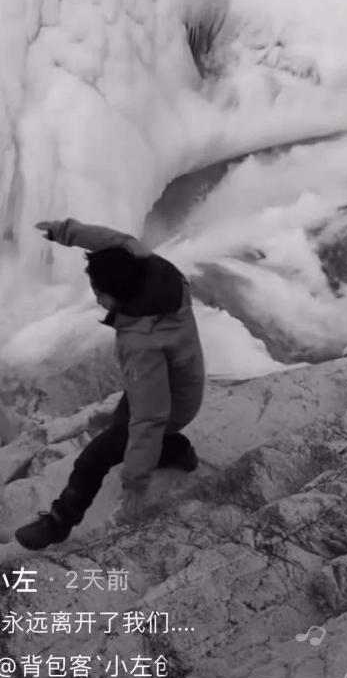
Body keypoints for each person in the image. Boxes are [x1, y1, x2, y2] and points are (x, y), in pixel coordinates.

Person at [15, 218, 205, 550]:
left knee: (95, 457)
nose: (97, 298)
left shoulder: (142, 343)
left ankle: (59, 522)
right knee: (122, 424)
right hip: (184, 382)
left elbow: (151, 415)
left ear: (117, 295)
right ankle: (179, 452)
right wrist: (65, 232)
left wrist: (135, 482)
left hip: (173, 403)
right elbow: (115, 240)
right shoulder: (156, 272)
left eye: (100, 293)